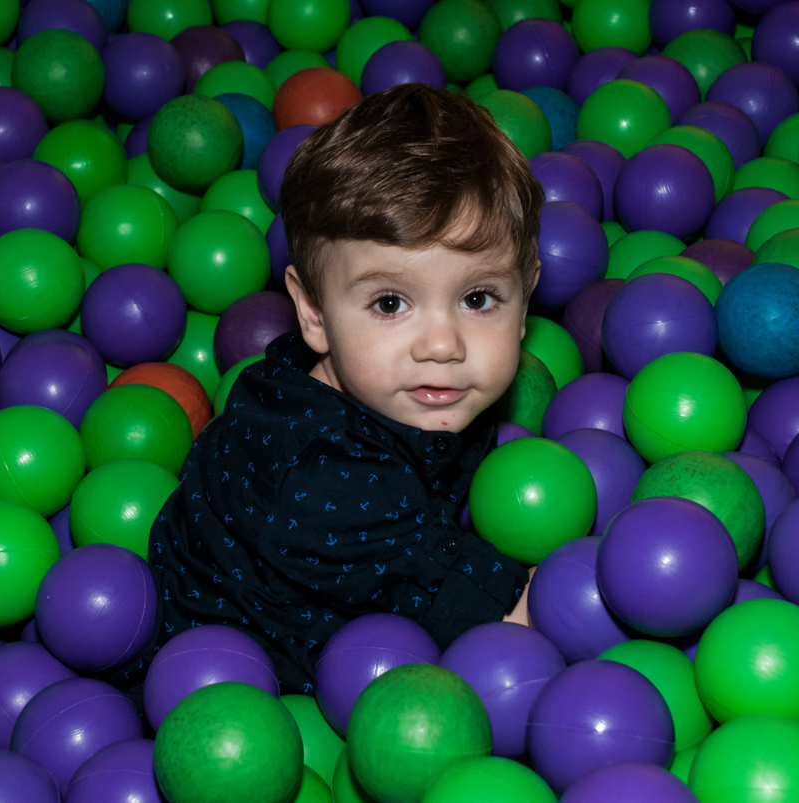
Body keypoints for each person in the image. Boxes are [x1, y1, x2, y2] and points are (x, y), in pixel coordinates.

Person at [112, 83, 546, 698]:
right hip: (233, 688)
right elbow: (506, 617)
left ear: (525, 298)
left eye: (478, 299)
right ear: (313, 312)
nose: (442, 344)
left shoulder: (396, 387)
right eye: (390, 303)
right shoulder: (323, 479)